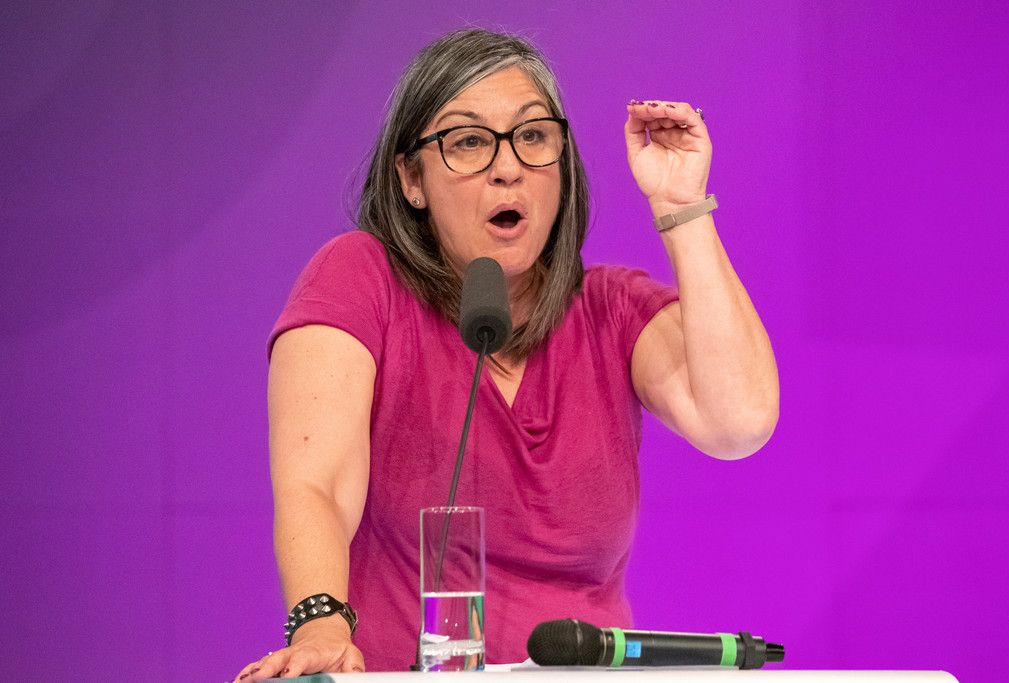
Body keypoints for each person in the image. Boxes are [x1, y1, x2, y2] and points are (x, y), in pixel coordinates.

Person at [233, 28, 778, 681]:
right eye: (468, 141)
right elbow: (317, 485)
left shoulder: (610, 310)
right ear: (411, 178)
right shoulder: (361, 278)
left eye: (533, 135)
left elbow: (739, 422)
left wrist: (682, 206)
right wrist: (321, 621)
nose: (508, 166)